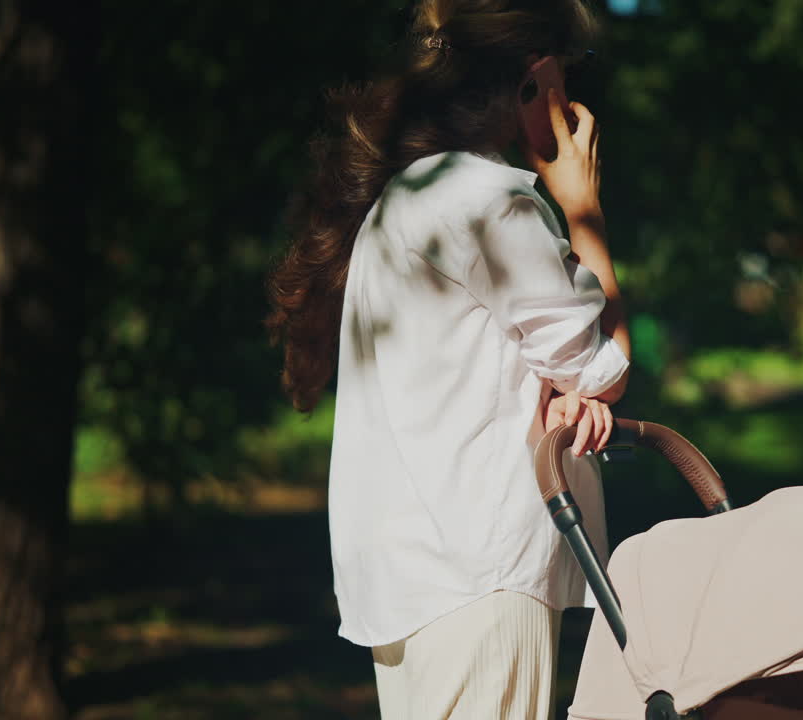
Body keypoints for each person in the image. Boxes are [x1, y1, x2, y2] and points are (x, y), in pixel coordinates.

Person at [265, 1, 630, 717]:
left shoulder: (408, 197)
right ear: (535, 76)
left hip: (410, 577)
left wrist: (553, 386)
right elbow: (602, 367)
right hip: (483, 575)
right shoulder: (493, 203)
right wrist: (584, 210)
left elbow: (502, 365)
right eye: (571, 70)